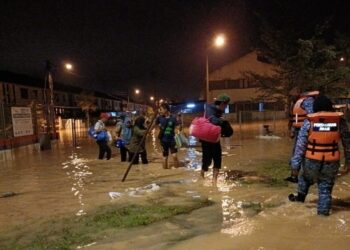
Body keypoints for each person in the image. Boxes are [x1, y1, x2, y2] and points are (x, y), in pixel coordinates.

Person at [289, 95, 350, 216]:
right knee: (325, 188)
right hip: (331, 162)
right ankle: (322, 215)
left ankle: (300, 200)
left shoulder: (309, 122)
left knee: (304, 178)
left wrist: (295, 166)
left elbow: (300, 146)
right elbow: (347, 145)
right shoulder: (341, 122)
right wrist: (348, 162)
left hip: (311, 161)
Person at [285, 90, 319, 183]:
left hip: (305, 130)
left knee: (302, 153)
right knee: (297, 152)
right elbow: (295, 118)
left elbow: (311, 116)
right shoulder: (297, 103)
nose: (291, 97)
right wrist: (292, 130)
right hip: (298, 130)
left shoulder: (307, 101)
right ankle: (294, 175)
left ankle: (307, 176)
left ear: (297, 94)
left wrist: (308, 129)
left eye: (292, 95)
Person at [201, 93, 230, 185]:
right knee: (207, 161)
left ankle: (214, 182)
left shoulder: (219, 112)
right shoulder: (210, 109)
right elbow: (212, 120)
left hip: (215, 139)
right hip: (206, 140)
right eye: (226, 105)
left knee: (217, 158)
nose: (226, 107)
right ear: (222, 104)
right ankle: (202, 174)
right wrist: (222, 121)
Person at [155, 103, 180, 169]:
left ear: (166, 109)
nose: (160, 111)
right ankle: (165, 171)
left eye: (161, 109)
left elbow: (178, 126)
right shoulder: (159, 117)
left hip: (172, 140)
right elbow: (154, 125)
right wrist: (149, 131)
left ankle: (177, 173)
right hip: (163, 140)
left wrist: (178, 130)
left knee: (174, 156)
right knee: (165, 157)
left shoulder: (173, 117)